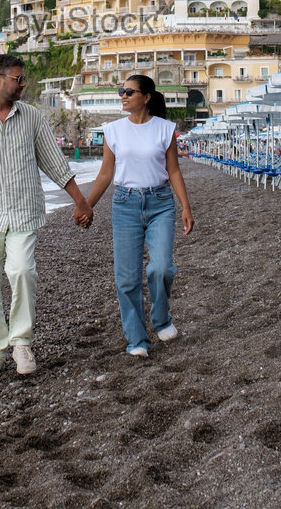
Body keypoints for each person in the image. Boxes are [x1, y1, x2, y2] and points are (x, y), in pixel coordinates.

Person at [0, 53, 93, 381]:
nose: (23, 84)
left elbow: (55, 163)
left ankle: (21, 342)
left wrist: (80, 202)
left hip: (24, 211)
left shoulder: (32, 118)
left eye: (23, 79)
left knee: (23, 271)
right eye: (17, 78)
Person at [85, 74, 194, 358]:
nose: (122, 95)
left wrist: (186, 206)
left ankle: (161, 317)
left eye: (129, 92)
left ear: (146, 97)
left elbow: (173, 171)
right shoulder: (113, 130)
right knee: (127, 278)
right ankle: (137, 339)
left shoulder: (164, 129)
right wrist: (87, 206)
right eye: (121, 91)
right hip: (125, 205)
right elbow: (106, 174)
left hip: (160, 203)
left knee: (162, 268)